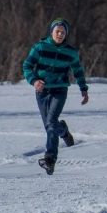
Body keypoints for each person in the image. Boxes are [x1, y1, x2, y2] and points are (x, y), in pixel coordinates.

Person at [23, 17, 89, 174]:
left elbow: (78, 71)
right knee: (49, 124)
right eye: (57, 31)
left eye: (63, 32)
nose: (60, 34)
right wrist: (34, 81)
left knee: (51, 122)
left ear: (66, 34)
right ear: (51, 32)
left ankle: (50, 158)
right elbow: (27, 65)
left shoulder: (70, 52)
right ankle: (63, 130)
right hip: (42, 91)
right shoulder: (40, 47)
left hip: (60, 90)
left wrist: (83, 89)